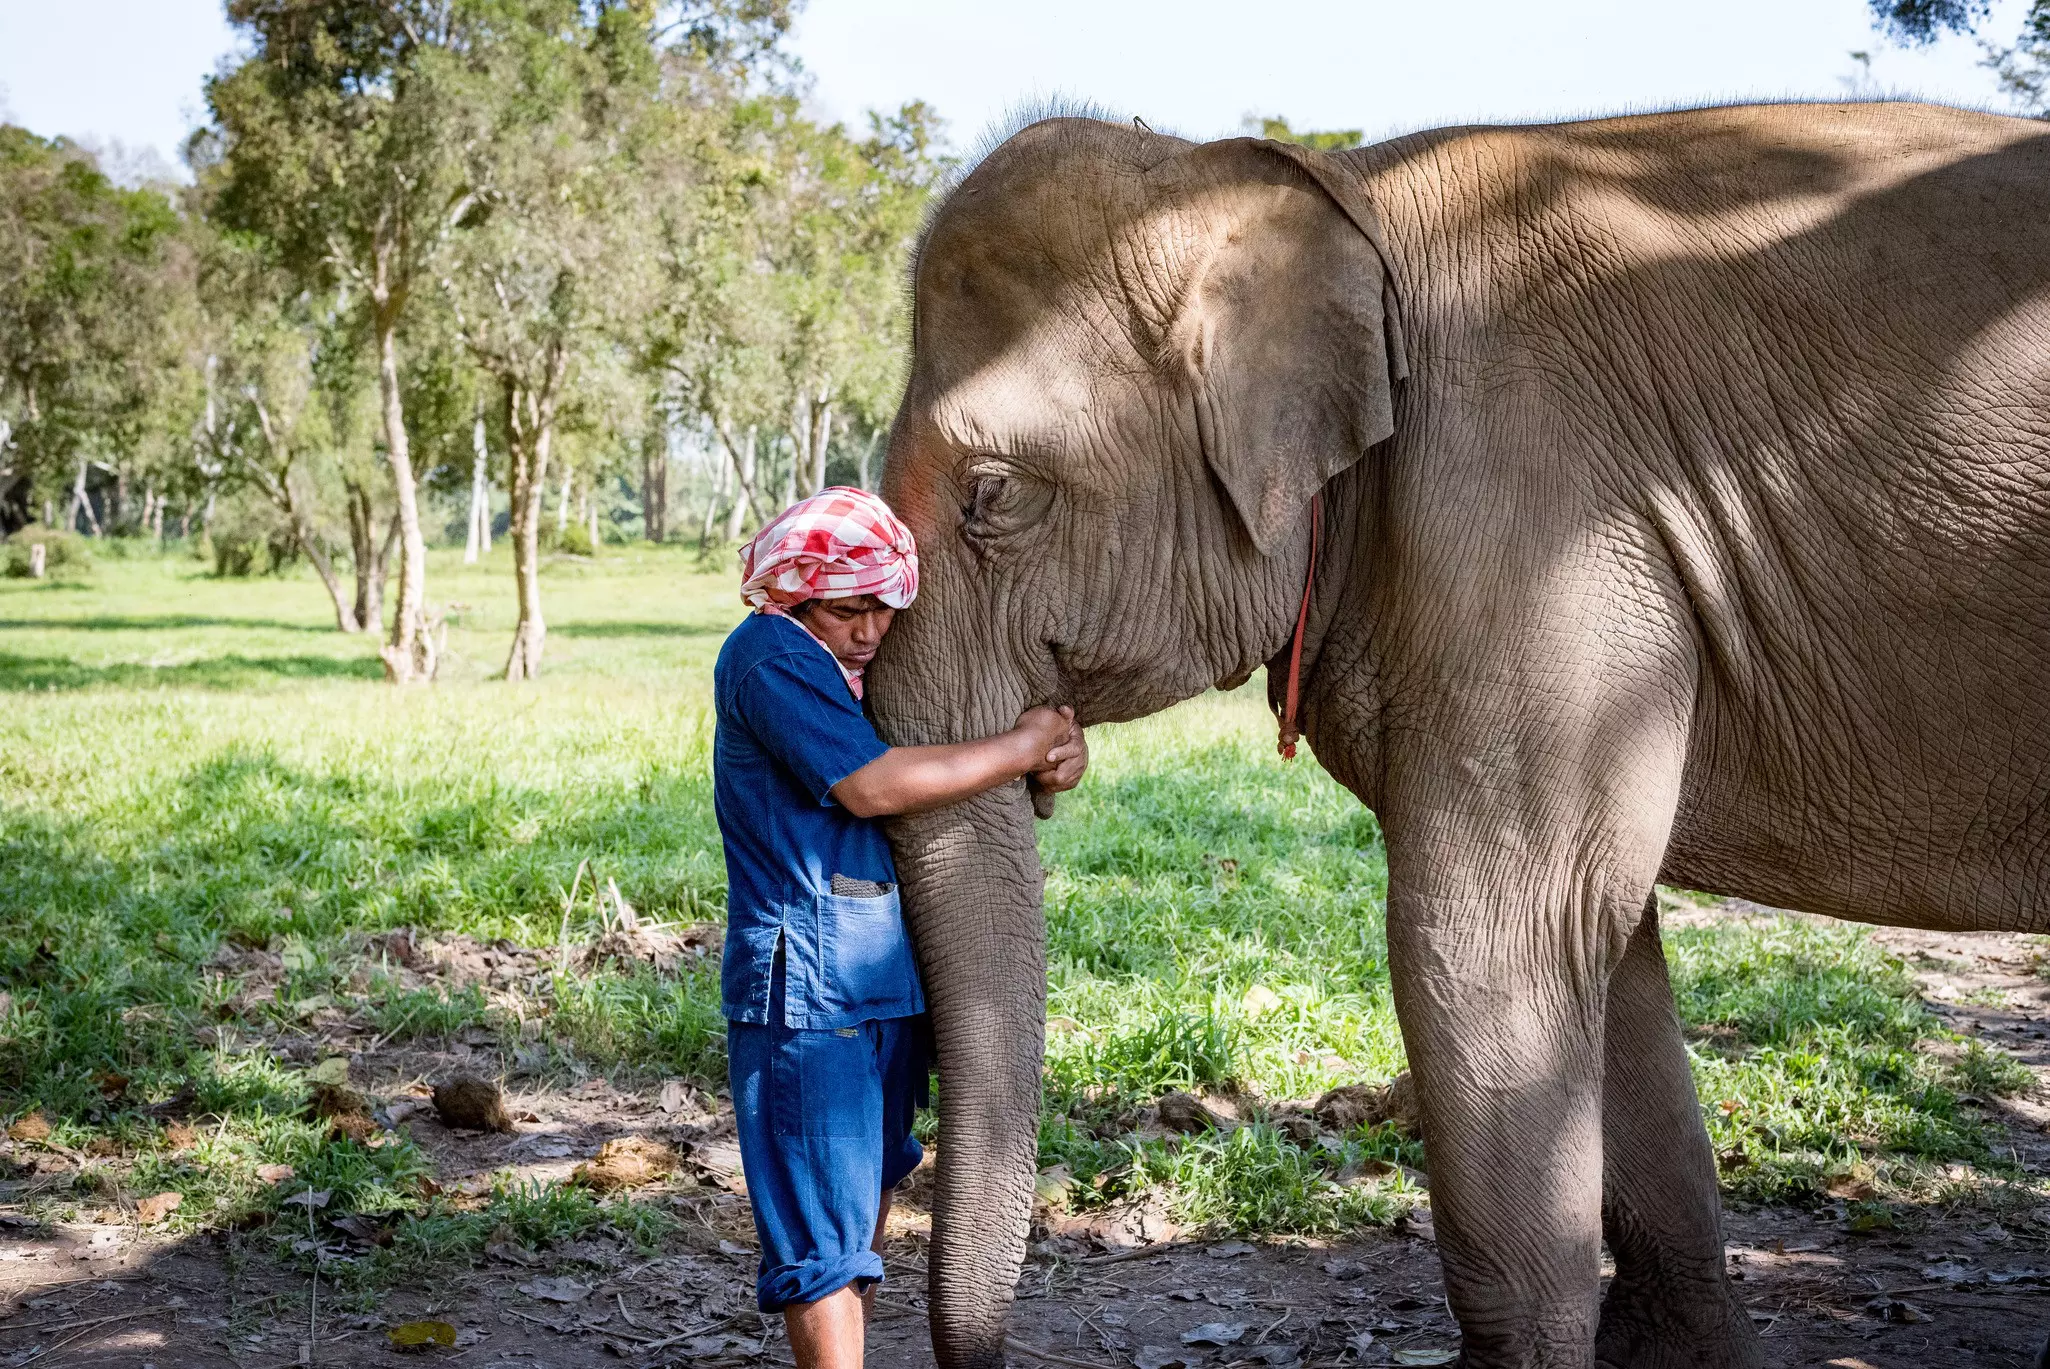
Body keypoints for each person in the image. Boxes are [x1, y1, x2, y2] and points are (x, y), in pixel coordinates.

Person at [714, 487, 1086, 1369]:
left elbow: (938, 753)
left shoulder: (847, 670)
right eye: (849, 607)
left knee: (861, 1211)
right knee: (824, 1246)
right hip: (807, 990)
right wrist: (1022, 747)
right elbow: (873, 786)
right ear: (793, 594)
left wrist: (1050, 758)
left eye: (886, 607)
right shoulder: (769, 656)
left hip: (878, 980)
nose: (872, 628)